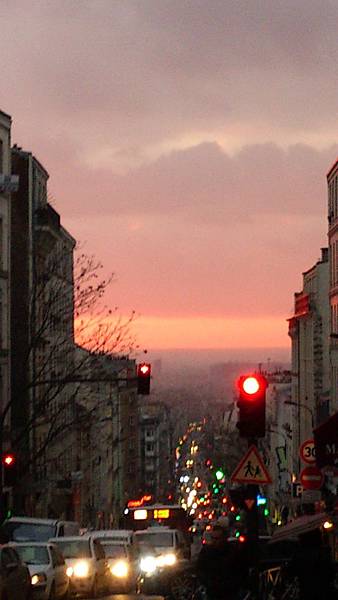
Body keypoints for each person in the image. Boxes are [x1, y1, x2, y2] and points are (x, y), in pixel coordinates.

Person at [196, 521, 249, 600]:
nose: (214, 541)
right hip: (212, 591)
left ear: (224, 539)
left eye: (217, 539)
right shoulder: (207, 552)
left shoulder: (233, 552)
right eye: (213, 538)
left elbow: (242, 570)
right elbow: (199, 569)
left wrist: (234, 584)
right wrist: (207, 582)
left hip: (229, 592)